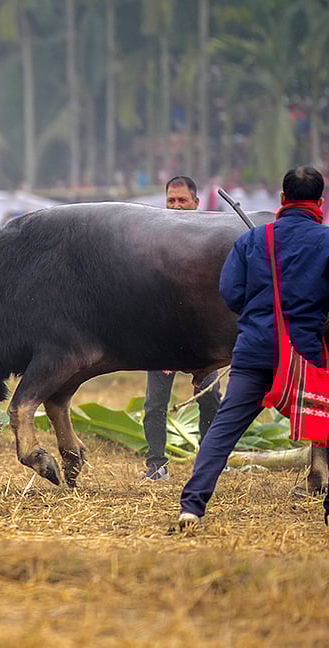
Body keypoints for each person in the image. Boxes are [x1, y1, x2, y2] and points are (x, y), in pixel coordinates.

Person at [178, 167, 329, 532]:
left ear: (283, 199)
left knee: (224, 428)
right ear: (319, 203)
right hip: (306, 356)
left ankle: (191, 507)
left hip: (253, 348)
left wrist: (259, 315)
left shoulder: (253, 240)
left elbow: (230, 293)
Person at [143, 176, 222, 481]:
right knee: (154, 404)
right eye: (171, 201)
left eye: (182, 201)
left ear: (196, 203)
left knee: (211, 397)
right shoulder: (153, 241)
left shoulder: (212, 239)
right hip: (163, 335)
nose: (175, 206)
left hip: (203, 336)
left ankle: (211, 460)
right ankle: (155, 465)